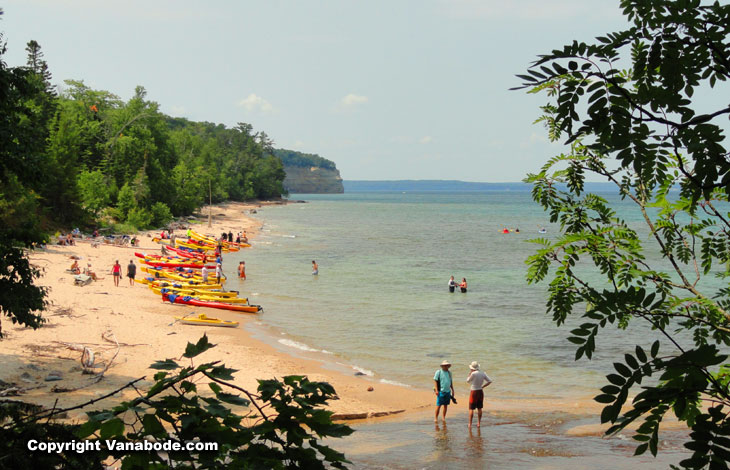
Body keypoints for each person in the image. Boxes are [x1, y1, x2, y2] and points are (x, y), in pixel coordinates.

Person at [466, 361, 493, 428]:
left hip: (473, 391)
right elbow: (490, 381)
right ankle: (478, 423)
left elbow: (468, 381)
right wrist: (483, 386)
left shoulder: (473, 374)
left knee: (471, 408)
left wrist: (469, 374)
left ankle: (470, 424)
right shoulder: (483, 373)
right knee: (479, 408)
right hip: (480, 391)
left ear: (472, 368)